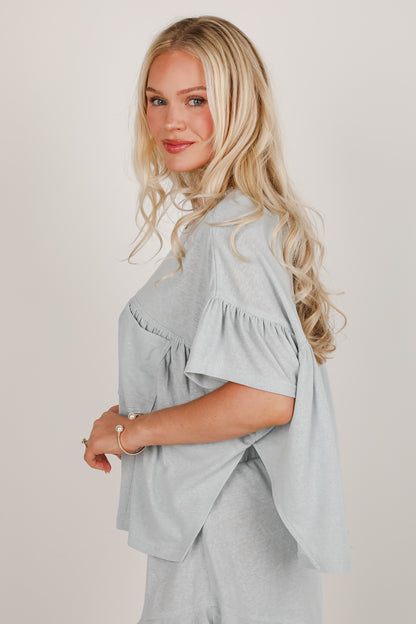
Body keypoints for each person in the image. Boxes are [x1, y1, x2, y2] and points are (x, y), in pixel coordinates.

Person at [83, 15, 351, 624]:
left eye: (196, 100)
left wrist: (132, 432)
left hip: (225, 534)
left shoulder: (236, 231)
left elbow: (266, 397)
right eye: (157, 100)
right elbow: (227, 381)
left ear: (240, 106)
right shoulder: (233, 223)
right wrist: (126, 418)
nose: (171, 122)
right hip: (214, 528)